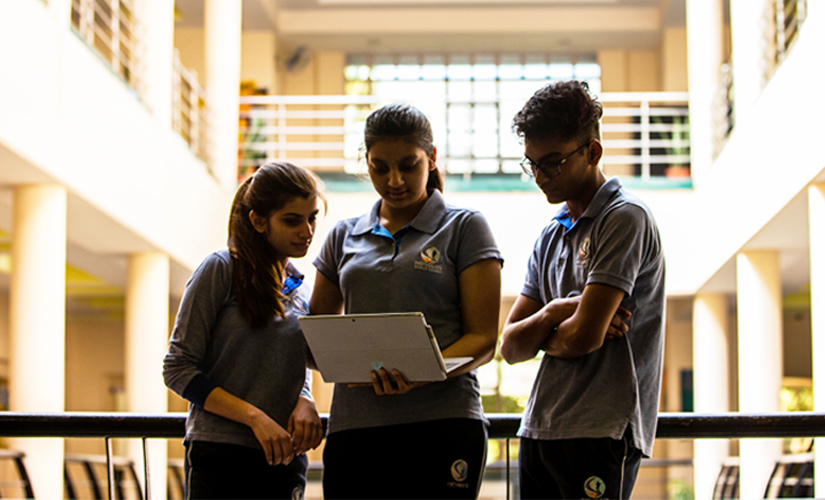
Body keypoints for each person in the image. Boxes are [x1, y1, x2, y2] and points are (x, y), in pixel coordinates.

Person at [310, 103, 503, 499]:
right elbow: (316, 337)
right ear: (366, 162)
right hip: (355, 427)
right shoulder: (342, 235)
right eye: (380, 167)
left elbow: (483, 339)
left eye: (408, 165)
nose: (394, 180)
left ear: (431, 159)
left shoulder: (465, 227)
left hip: (444, 423)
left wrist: (424, 371)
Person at [499, 80, 665, 500]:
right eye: (532, 164)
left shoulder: (624, 218)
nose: (540, 177)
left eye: (552, 162)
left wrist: (550, 334)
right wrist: (556, 313)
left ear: (592, 152)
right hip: (539, 427)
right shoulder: (551, 234)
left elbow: (585, 336)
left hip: (600, 431)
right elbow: (512, 346)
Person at [163, 162, 325, 500]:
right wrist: (255, 418)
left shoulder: (301, 288)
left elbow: (291, 360)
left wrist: (305, 396)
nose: (307, 231)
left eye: (312, 217)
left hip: (285, 454)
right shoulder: (220, 269)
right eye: (292, 220)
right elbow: (177, 369)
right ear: (258, 220)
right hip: (222, 454)